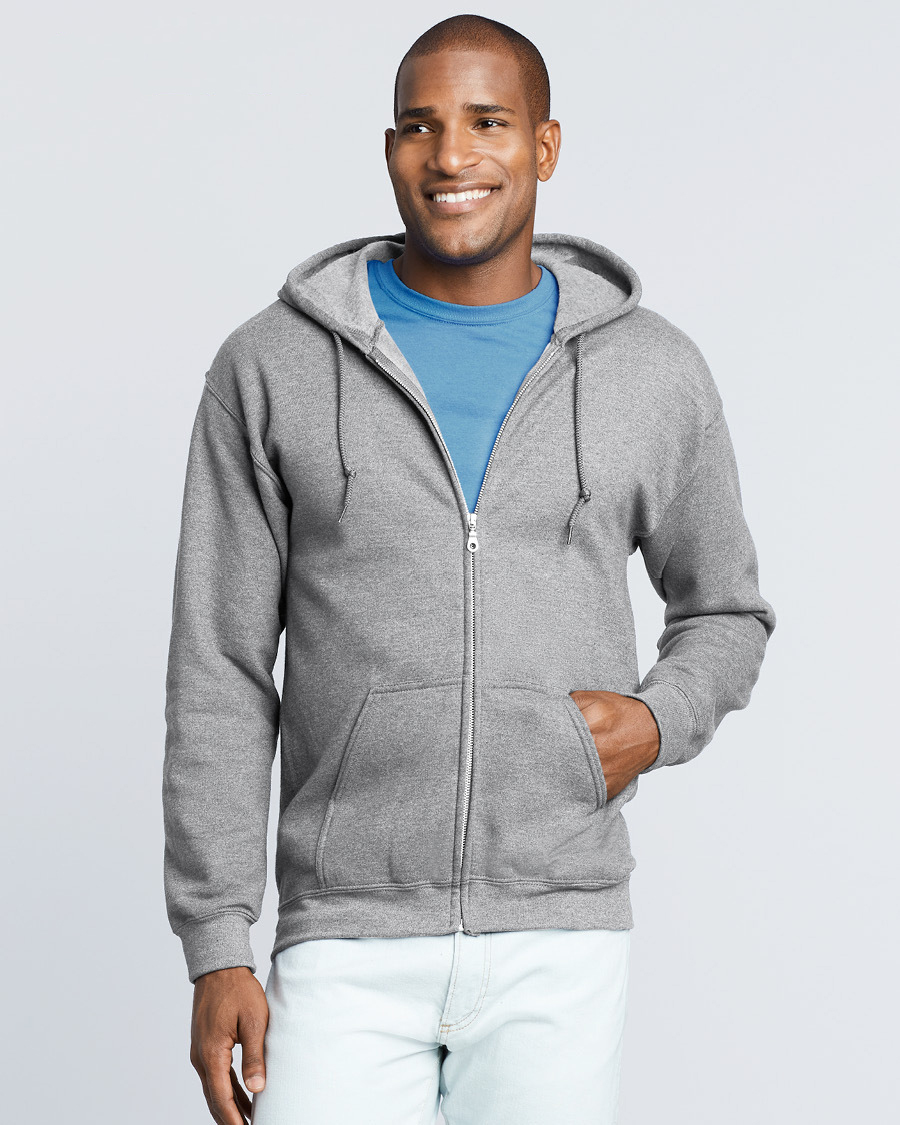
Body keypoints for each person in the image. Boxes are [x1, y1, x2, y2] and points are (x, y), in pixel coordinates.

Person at [162, 13, 776, 1125]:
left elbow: (727, 609)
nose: (451, 156)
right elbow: (221, 665)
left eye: (488, 122)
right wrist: (218, 941)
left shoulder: (651, 371)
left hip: (559, 928)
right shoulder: (272, 365)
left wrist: (657, 720)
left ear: (544, 145)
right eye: (420, 126)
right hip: (342, 934)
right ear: (389, 147)